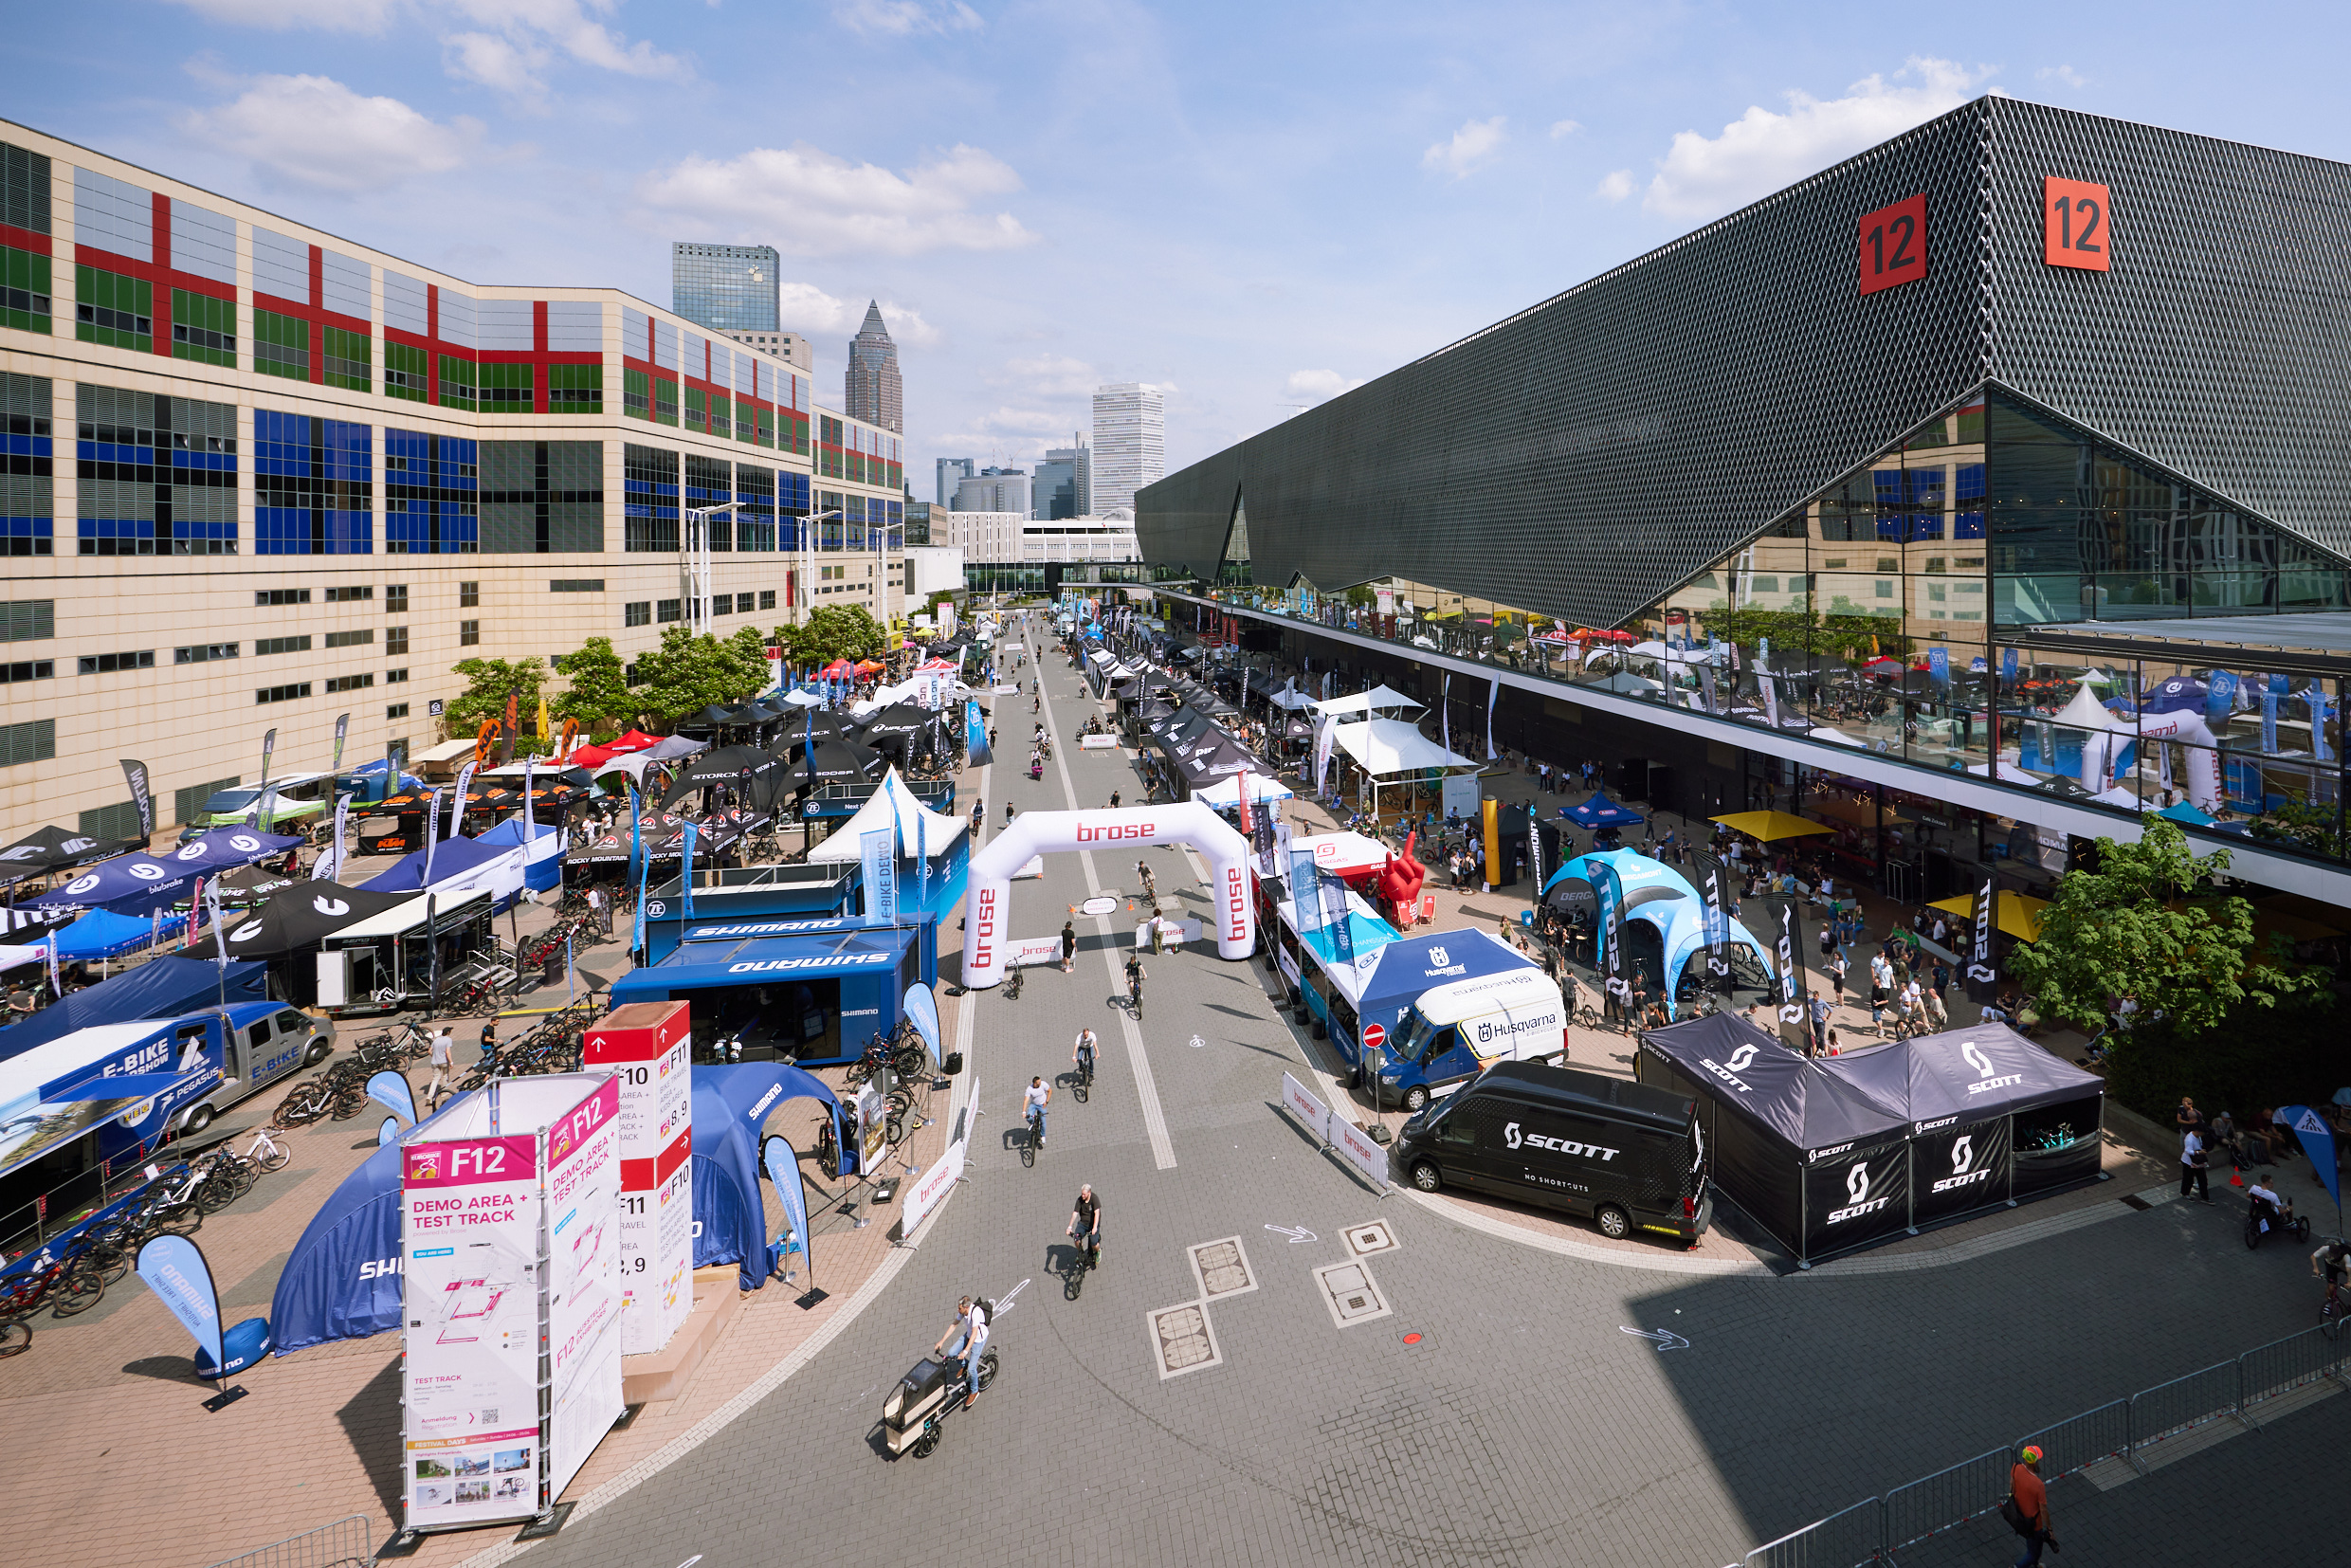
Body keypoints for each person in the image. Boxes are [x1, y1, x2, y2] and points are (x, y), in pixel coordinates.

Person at [931, 1296, 990, 1410]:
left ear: (966, 1307)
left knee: (973, 1368)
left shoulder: (975, 1313)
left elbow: (974, 1334)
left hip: (978, 1340)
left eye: (959, 1308)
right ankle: (965, 1366)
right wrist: (941, 1341)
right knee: (952, 1353)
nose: (958, 1310)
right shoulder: (964, 1312)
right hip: (968, 1336)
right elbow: (954, 1325)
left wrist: (965, 1352)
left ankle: (974, 1391)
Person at [2008, 1445, 2052, 1565]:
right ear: (2034, 1462)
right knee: (2033, 1555)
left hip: (2021, 1517)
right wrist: (2049, 1529)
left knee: (2032, 1547)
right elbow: (2043, 1510)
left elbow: (2012, 1486)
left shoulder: (2016, 1467)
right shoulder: (2038, 1484)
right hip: (2034, 1524)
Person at [1067, 1183, 1103, 1268]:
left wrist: (1094, 1227)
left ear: (1089, 1193)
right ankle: (1080, 1253)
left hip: (1093, 1224)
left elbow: (1097, 1213)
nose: (1082, 1196)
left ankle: (1098, 1251)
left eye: (1084, 1194)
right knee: (1076, 1239)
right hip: (1083, 1224)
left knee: (1094, 1243)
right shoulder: (1079, 1200)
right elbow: (1075, 1214)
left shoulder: (1094, 1198)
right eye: (1082, 1194)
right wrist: (1069, 1227)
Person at [2179, 1123, 2211, 1202]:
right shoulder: (2189, 1139)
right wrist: (2199, 1152)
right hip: (2189, 1162)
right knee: (2188, 1179)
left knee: (2202, 1179)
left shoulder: (2198, 1137)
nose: (2203, 1134)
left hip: (2197, 1161)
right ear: (2197, 1131)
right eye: (2202, 1132)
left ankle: (2205, 1197)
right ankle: (2185, 1193)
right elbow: (2188, 1151)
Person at [427, 1026, 455, 1107]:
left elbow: (429, 1051)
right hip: (444, 1062)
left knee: (435, 1079)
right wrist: (451, 1062)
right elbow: (447, 1052)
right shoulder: (448, 1040)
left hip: (434, 1062)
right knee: (445, 1076)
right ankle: (444, 1094)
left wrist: (434, 1057)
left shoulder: (436, 1040)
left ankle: (429, 1096)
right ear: (448, 1032)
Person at [1024, 1075, 1051, 1147]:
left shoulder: (1043, 1084)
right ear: (1034, 1083)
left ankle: (1043, 1136)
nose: (1040, 1084)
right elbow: (1026, 1100)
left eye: (1040, 1082)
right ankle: (1032, 1123)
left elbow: (1050, 1091)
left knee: (1043, 1121)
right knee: (1029, 1117)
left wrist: (1046, 1101)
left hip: (1042, 1105)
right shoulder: (1029, 1089)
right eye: (1038, 1083)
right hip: (1033, 1104)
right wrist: (1023, 1112)